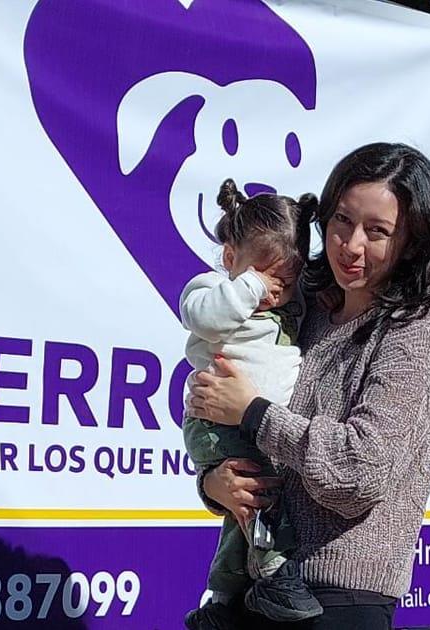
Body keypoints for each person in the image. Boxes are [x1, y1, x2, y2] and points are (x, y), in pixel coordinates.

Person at [189, 143, 430, 629]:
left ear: (413, 241)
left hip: (342, 599)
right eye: (342, 220)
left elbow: (360, 474)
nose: (351, 244)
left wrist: (253, 412)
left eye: (377, 231)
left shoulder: (416, 333)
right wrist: (216, 485)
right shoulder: (307, 308)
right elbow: (257, 446)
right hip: (259, 589)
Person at [180, 179, 322, 630]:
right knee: (257, 499)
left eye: (285, 279)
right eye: (262, 275)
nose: (273, 291)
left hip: (257, 428)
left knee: (241, 516)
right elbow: (201, 317)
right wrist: (248, 288)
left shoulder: (291, 304)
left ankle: (221, 600)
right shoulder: (212, 289)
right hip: (216, 423)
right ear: (230, 258)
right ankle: (277, 574)